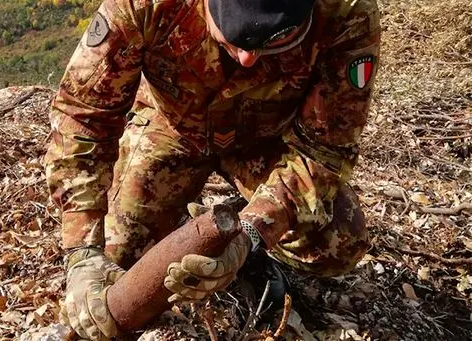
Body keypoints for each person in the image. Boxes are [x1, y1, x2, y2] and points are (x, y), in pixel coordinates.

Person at [45, 0, 381, 338]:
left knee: (337, 242)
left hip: (267, 143)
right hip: (172, 129)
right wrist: (82, 250)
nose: (249, 58)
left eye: (276, 39)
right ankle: (186, 224)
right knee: (116, 258)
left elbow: (323, 151)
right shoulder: (143, 4)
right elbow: (83, 114)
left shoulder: (346, 14)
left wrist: (251, 233)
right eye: (235, 34)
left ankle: (243, 251)